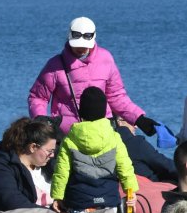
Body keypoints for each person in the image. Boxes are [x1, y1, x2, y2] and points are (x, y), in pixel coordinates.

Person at [28, 16, 159, 135]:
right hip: (68, 134)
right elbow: (37, 97)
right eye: (77, 44)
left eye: (85, 45)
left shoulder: (105, 59)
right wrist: (41, 122)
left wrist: (139, 118)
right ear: (69, 38)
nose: (81, 48)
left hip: (103, 132)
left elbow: (116, 96)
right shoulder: (55, 65)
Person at [51, 87, 138, 213]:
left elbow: (61, 171)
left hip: (79, 201)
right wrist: (131, 191)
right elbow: (125, 168)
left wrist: (57, 196)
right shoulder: (114, 137)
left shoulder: (70, 139)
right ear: (104, 112)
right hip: (109, 200)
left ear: (81, 112)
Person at [0, 117, 59, 212]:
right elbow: (13, 202)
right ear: (33, 147)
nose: (52, 155)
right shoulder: (2, 168)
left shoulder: (45, 164)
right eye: (49, 151)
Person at [114, 117, 178, 183]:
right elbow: (164, 164)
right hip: (150, 187)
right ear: (119, 122)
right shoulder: (135, 143)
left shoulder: (108, 143)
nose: (136, 127)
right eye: (132, 121)